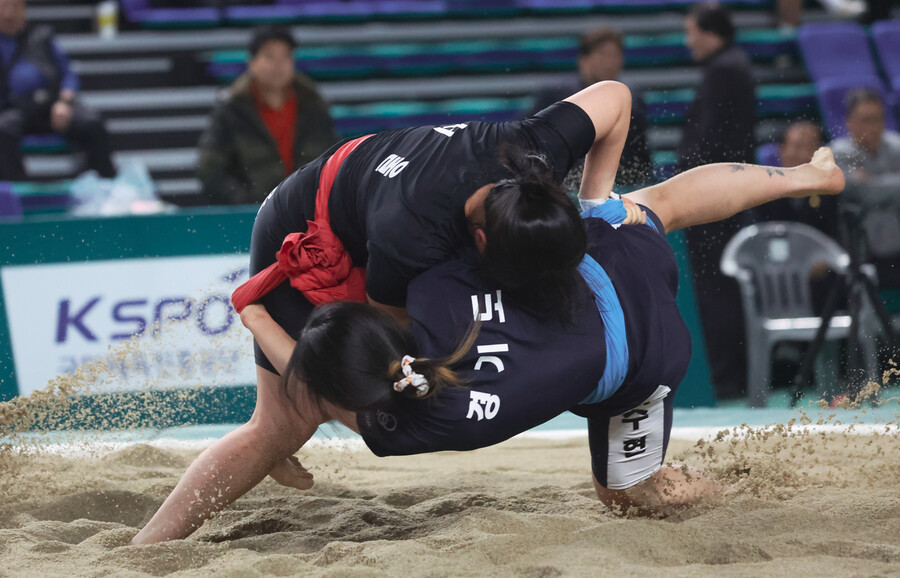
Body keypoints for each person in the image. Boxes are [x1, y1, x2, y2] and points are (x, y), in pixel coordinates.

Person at [131, 146, 846, 544]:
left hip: (639, 368)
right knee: (658, 203)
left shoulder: (414, 420)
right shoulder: (440, 286)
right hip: (624, 285)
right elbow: (328, 383)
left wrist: (252, 310)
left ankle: (149, 550)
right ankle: (810, 175)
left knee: (630, 495)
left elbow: (320, 390)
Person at [678, 2, 758, 401]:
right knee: (719, 288)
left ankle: (728, 378)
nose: (687, 40)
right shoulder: (731, 65)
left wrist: (684, 182)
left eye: (692, 31)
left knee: (716, 290)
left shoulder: (725, 70)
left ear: (711, 33)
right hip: (725, 193)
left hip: (713, 197)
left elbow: (709, 142)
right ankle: (731, 375)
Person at [196, 25, 339, 205]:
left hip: (307, 210)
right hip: (252, 214)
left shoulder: (314, 106)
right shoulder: (232, 110)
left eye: (285, 56)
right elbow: (209, 169)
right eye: (269, 56)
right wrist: (245, 201)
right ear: (252, 63)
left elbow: (333, 159)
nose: (278, 65)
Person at [0, 0, 115, 181]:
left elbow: (68, 74)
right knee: (2, 128)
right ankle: (16, 191)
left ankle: (103, 185)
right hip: (16, 109)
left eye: (14, 7)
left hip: (53, 107)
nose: (8, 14)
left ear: (24, 10)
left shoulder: (42, 36)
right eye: (3, 8)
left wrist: (64, 102)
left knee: (92, 123)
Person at [527, 27, 652, 189]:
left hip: (617, 186)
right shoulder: (557, 95)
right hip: (566, 186)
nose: (610, 62)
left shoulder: (632, 99)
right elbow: (530, 138)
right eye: (603, 55)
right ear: (583, 60)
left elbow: (640, 154)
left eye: (615, 55)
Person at [830, 88, 900, 287]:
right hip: (862, 250)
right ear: (849, 123)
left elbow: (869, 189)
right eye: (865, 120)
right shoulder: (839, 153)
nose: (873, 127)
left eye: (877, 119)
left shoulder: (896, 147)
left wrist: (871, 183)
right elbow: (863, 192)